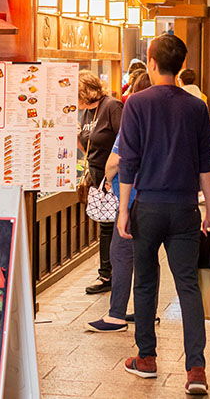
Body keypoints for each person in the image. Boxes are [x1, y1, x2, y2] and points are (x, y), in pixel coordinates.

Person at [116, 34, 210, 395]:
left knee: (145, 281)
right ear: (179, 65)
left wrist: (123, 210)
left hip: (148, 206)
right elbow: (206, 163)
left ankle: (146, 358)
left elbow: (129, 162)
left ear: (152, 62)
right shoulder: (195, 107)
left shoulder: (136, 104)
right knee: (188, 285)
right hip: (185, 209)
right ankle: (196, 370)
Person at [84, 71, 155, 333]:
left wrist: (106, 178)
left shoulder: (134, 114)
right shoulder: (173, 115)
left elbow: (115, 160)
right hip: (160, 196)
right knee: (147, 257)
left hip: (132, 196)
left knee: (121, 253)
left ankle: (116, 316)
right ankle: (146, 311)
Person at [78, 70, 123, 295]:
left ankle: (113, 274)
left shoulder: (112, 107)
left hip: (114, 176)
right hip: (96, 173)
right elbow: (87, 143)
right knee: (104, 224)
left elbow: (125, 140)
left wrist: (112, 174)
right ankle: (107, 273)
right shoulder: (86, 112)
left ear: (86, 92)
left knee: (113, 225)